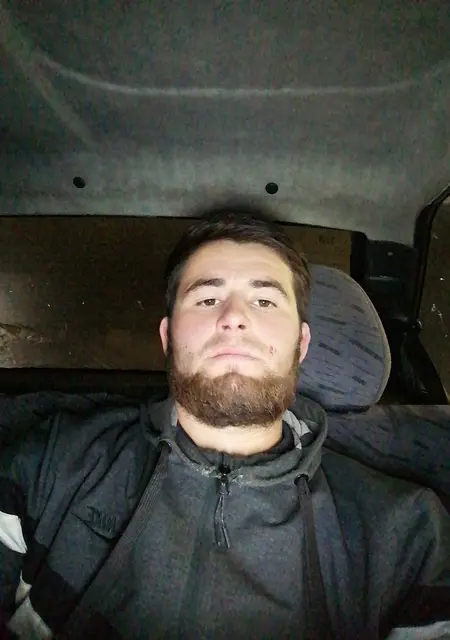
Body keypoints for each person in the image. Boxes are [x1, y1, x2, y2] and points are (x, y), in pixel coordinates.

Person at [0, 206, 449, 640]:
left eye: (264, 300)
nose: (233, 317)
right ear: (168, 337)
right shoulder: (53, 463)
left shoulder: (408, 536)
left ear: (301, 344)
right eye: (208, 298)